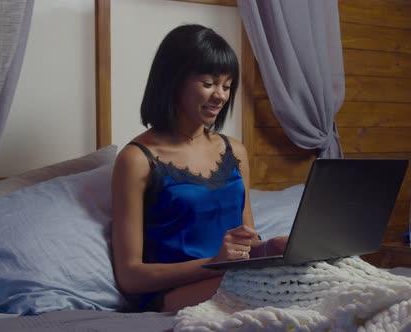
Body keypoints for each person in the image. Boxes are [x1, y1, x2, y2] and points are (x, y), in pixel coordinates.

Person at [111, 24, 287, 313]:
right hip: (170, 292)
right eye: (208, 83)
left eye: (227, 86)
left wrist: (272, 249)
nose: (220, 95)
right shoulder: (137, 159)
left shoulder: (235, 151)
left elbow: (247, 240)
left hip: (235, 278)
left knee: (312, 278)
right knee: (278, 294)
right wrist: (215, 263)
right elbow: (130, 277)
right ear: (173, 81)